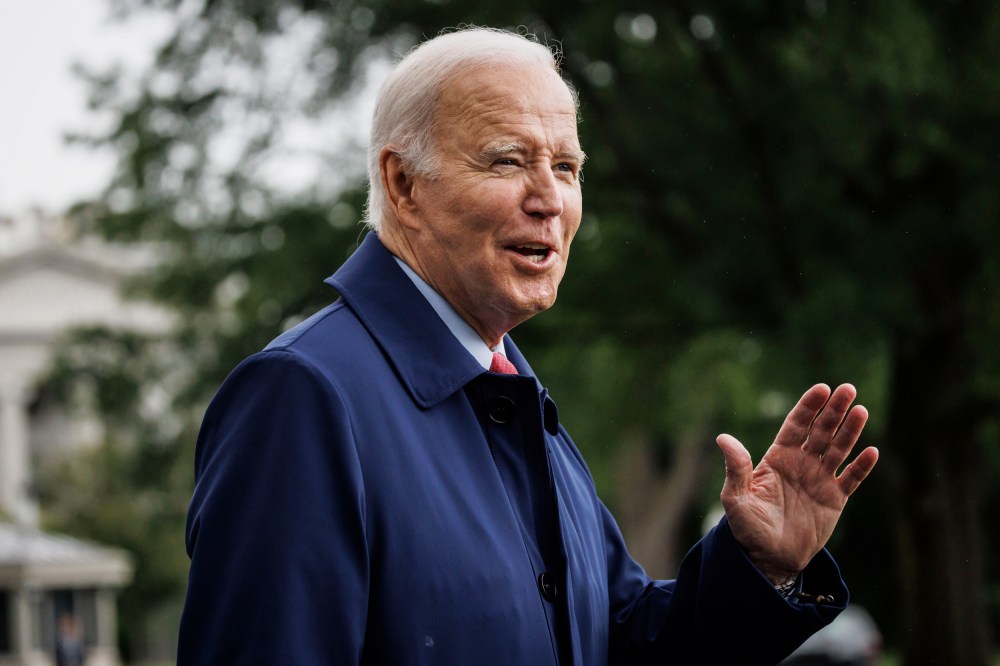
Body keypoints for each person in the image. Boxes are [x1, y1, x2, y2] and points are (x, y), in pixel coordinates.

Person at [177, 27, 879, 665]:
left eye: (568, 169)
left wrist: (758, 567)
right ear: (404, 184)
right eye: (509, 160)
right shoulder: (304, 398)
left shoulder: (513, 397)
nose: (549, 198)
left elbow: (622, 642)